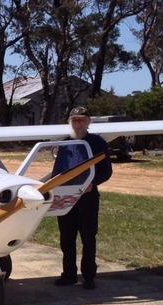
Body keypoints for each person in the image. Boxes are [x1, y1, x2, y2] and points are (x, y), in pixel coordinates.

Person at [54, 106, 112, 290]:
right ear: (70, 122)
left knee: (88, 238)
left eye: (82, 120)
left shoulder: (98, 143)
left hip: (88, 198)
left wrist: (92, 184)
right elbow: (58, 171)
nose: (78, 123)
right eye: (75, 120)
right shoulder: (64, 143)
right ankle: (69, 275)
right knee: (66, 238)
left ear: (88, 122)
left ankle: (88, 277)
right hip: (67, 198)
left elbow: (106, 171)